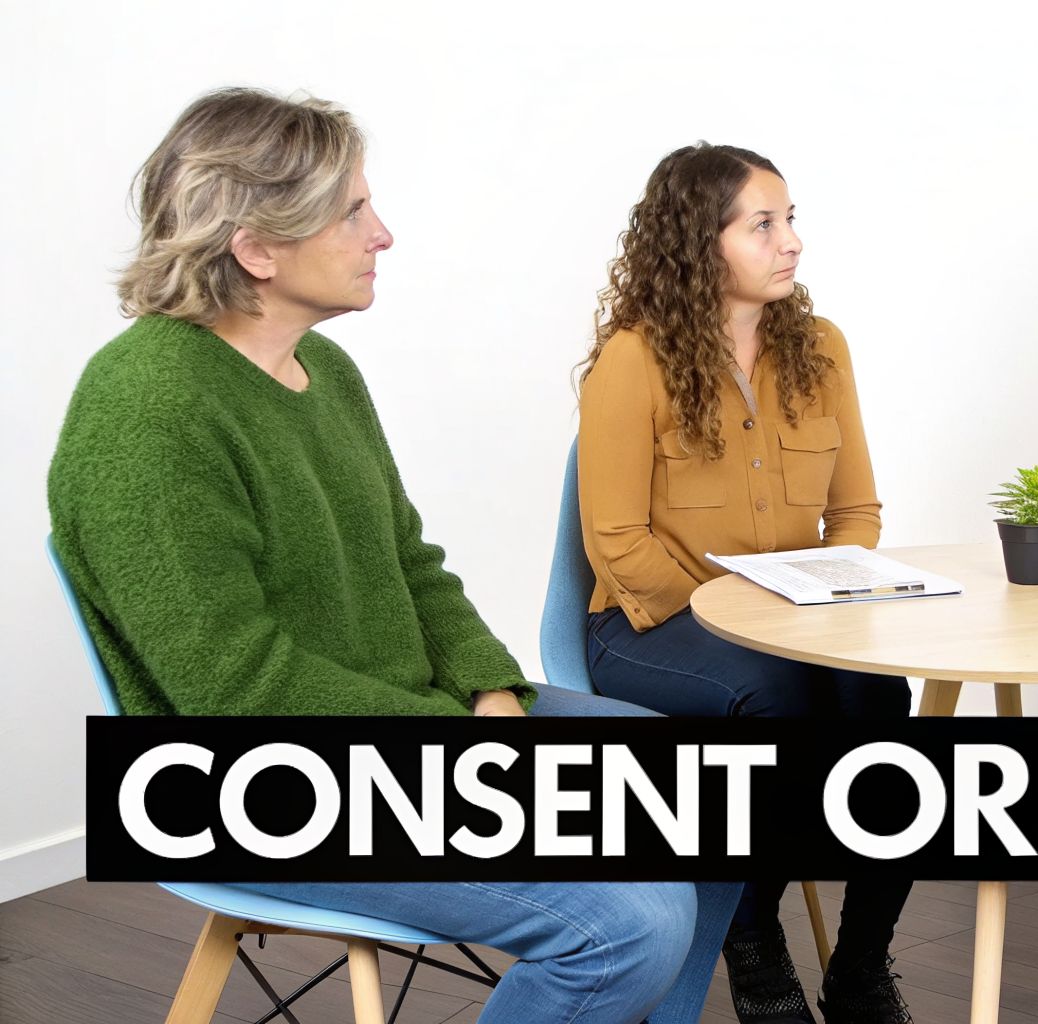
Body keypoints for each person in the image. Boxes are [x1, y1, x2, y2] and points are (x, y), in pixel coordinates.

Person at [47, 88, 738, 1024]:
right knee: (624, 923)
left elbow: (411, 563)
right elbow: (236, 691)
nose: (384, 234)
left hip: (411, 720)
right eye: (352, 212)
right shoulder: (147, 411)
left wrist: (492, 695)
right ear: (256, 248)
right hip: (267, 780)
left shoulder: (322, 370)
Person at [576, 143, 914, 1024]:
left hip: (795, 621)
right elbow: (615, 539)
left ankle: (863, 963)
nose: (790, 242)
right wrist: (742, 618)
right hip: (650, 628)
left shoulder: (822, 348)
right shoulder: (633, 359)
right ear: (700, 240)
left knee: (884, 708)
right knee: (779, 703)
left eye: (791, 219)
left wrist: (832, 600)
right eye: (763, 224)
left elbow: (857, 513)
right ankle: (754, 942)